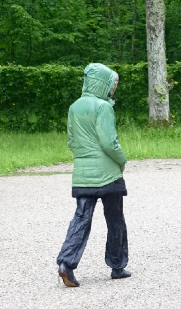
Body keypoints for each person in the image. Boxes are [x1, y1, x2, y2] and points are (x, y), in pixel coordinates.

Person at [56, 63, 130, 287]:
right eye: (111, 84)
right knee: (115, 219)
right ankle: (117, 266)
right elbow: (109, 142)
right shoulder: (103, 107)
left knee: (81, 218)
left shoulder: (74, 107)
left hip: (82, 174)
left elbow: (71, 141)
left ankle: (66, 263)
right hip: (108, 173)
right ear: (102, 84)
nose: (113, 89)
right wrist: (122, 159)